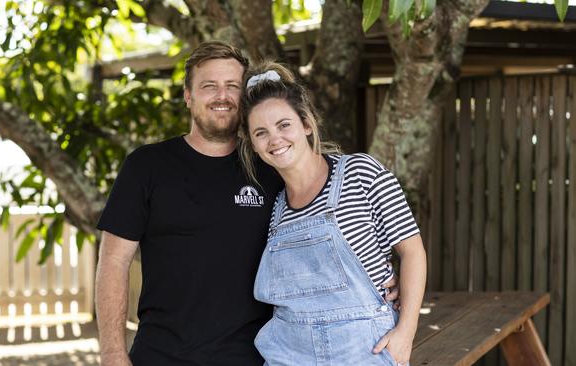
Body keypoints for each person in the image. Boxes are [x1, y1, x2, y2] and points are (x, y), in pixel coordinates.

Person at [95, 41, 400, 366]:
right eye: (209, 86)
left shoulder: (271, 168)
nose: (222, 96)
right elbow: (113, 261)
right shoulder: (146, 166)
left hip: (256, 357)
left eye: (232, 86)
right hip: (160, 356)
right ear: (188, 95)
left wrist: (384, 286)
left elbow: (334, 225)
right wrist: (113, 354)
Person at [238, 62, 427, 366]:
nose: (275, 139)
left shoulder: (361, 172)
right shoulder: (276, 209)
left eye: (284, 125)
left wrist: (406, 331)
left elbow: (413, 251)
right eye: (261, 132)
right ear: (254, 145)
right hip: (289, 352)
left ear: (306, 124)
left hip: (366, 350)